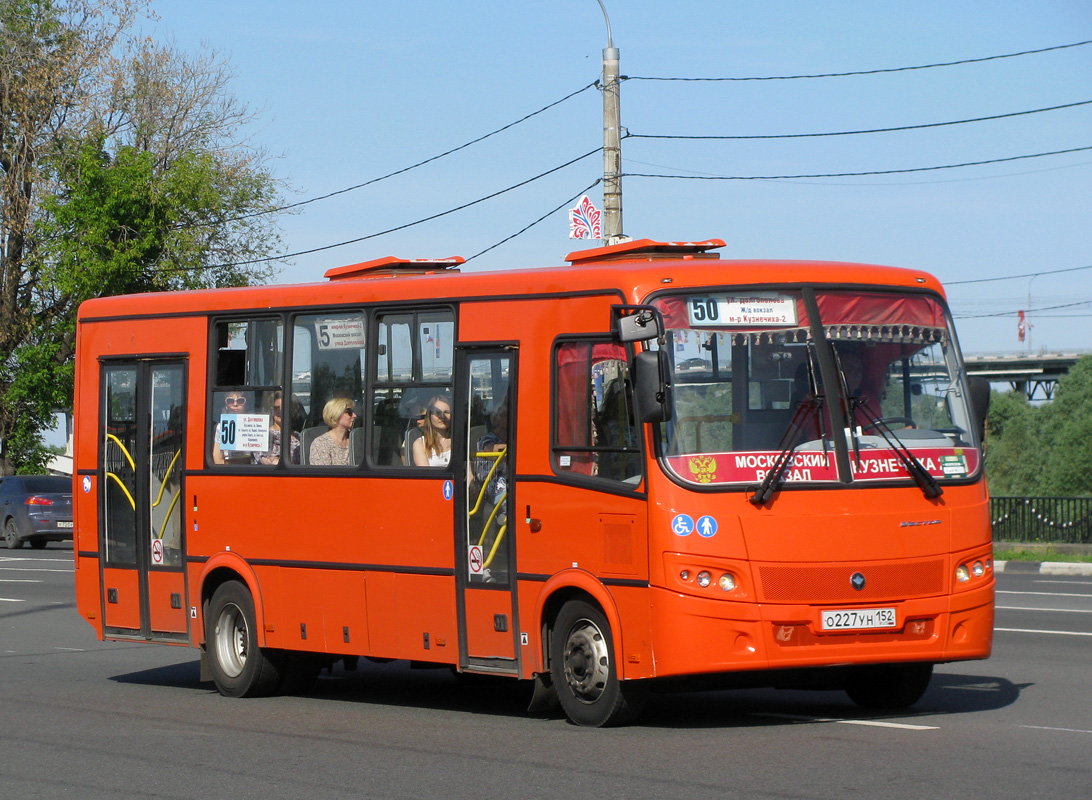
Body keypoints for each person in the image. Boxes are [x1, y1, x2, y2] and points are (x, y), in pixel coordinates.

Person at [254, 391, 300, 465]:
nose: (280, 411)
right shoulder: (263, 434)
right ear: (272, 410)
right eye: (276, 408)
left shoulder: (298, 436)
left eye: (284, 408)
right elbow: (262, 459)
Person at [309, 397, 357, 466]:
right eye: (349, 412)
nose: (354, 415)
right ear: (336, 415)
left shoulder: (356, 441)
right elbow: (323, 475)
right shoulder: (321, 444)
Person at [412, 394, 452, 467]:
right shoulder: (420, 444)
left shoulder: (459, 443)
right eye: (438, 413)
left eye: (447, 412)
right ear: (430, 416)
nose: (442, 416)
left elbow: (469, 475)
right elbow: (426, 475)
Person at [212, 391, 252, 465]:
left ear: (246, 405)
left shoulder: (254, 425)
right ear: (226, 405)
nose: (235, 404)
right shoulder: (220, 427)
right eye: (230, 401)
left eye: (240, 401)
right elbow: (217, 458)